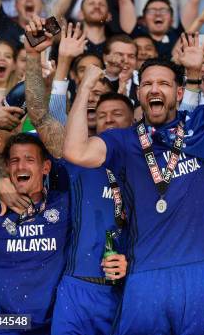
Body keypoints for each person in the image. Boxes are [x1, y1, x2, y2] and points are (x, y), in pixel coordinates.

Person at [62, 35, 204, 333]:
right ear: (139, 94)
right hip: (145, 273)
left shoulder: (198, 131)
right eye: (147, 84)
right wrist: (86, 87)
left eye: (164, 84)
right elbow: (75, 152)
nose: (155, 89)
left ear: (179, 93)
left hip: (196, 272)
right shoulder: (124, 140)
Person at [22, 18, 131, 334]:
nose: (106, 120)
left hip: (128, 290)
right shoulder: (76, 157)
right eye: (101, 115)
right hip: (77, 291)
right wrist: (33, 56)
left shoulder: (148, 163)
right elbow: (40, 114)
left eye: (116, 115)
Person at [0, 133, 70, 333]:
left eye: (30, 160)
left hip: (53, 323)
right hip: (4, 325)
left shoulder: (65, 205)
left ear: (45, 167)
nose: (21, 167)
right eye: (14, 161)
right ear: (7, 169)